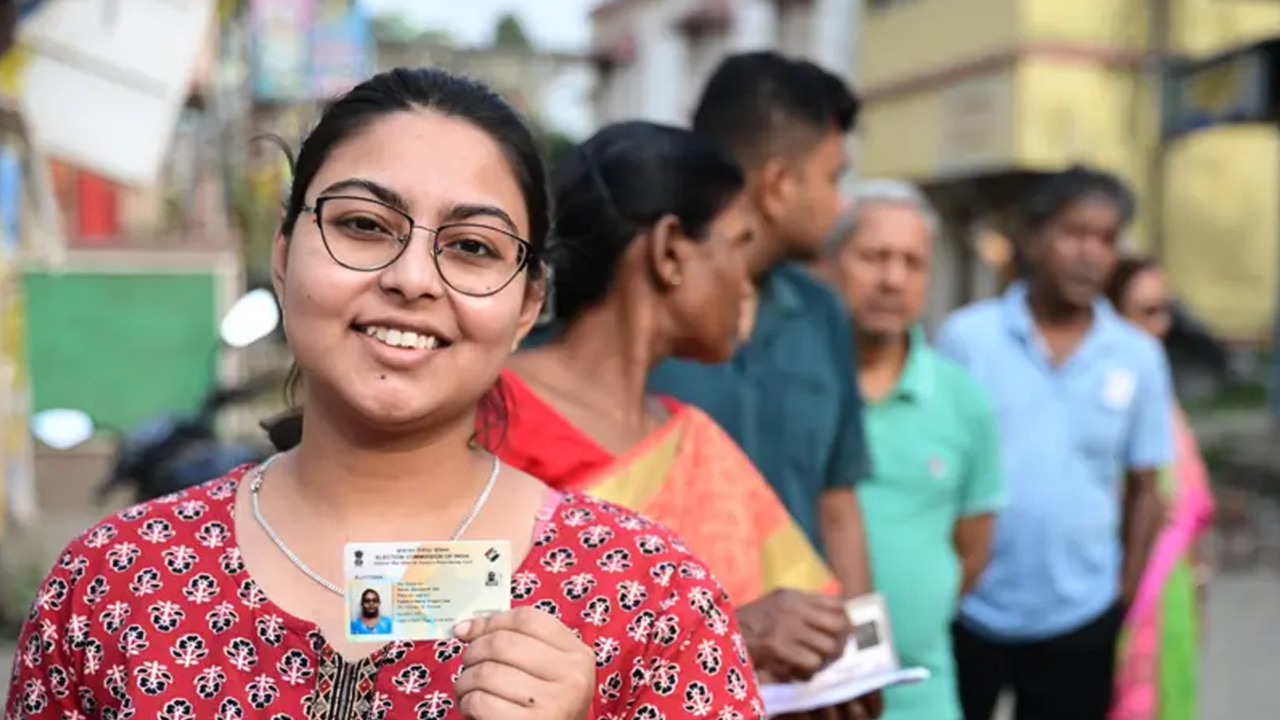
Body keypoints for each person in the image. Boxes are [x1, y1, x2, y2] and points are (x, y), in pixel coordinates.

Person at [4, 68, 761, 720]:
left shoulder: (648, 595)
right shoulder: (116, 584)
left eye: (471, 247)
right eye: (364, 225)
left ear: (528, 304)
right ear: (283, 253)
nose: (411, 278)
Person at [497, 121, 855, 688]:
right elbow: (442, 642)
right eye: (737, 244)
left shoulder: (690, 437)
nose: (745, 281)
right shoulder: (491, 416)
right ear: (668, 252)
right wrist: (732, 632)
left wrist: (818, 676)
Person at [937, 166, 1175, 720]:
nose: (1091, 253)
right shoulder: (969, 340)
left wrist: (1122, 599)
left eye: (1107, 239)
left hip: (1081, 616)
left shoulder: (1136, 357)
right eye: (1074, 233)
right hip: (969, 608)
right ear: (1033, 238)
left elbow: (1146, 489)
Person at [647, 50, 874, 607]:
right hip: (661, 670)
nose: (842, 202)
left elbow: (837, 503)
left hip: (802, 678)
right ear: (777, 185)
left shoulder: (822, 313)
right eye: (832, 177)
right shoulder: (639, 307)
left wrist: (864, 659)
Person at [822, 180, 1004, 720]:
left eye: (912, 262)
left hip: (925, 695)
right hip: (806, 697)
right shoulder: (795, 389)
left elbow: (971, 554)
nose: (892, 279)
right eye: (874, 257)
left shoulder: (962, 399)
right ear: (832, 262)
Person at [1106, 257, 1216, 720]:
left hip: (1175, 599)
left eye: (1163, 311)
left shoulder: (1163, 400)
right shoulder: (1105, 398)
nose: (1159, 326)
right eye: (1145, 312)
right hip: (1126, 602)